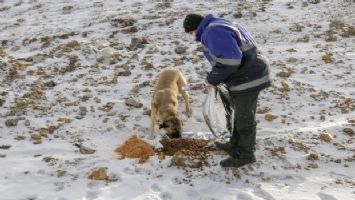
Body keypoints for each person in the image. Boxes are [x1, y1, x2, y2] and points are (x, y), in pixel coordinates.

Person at [183, 13, 271, 168]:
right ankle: (234, 144)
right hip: (247, 73)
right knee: (237, 113)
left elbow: (230, 60)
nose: (192, 36)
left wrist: (212, 78)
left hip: (248, 77)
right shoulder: (219, 24)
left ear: (194, 29)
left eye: (191, 33)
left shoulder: (212, 31)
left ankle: (245, 155)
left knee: (244, 118)